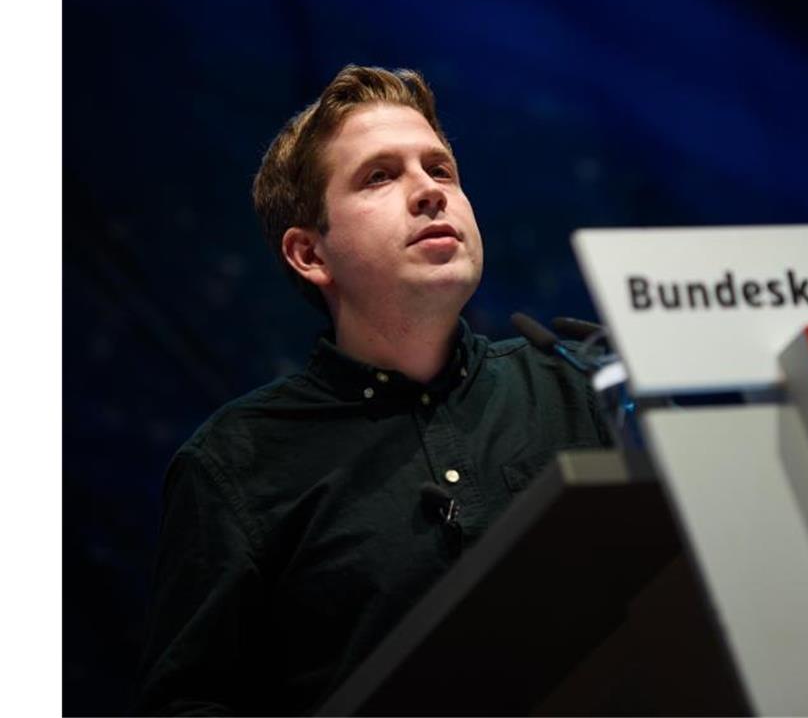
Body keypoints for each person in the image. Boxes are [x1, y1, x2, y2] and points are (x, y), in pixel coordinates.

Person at [134, 65, 613, 715]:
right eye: (380, 176)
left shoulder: (582, 388)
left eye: (440, 170)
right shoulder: (235, 464)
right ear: (310, 254)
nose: (428, 192)